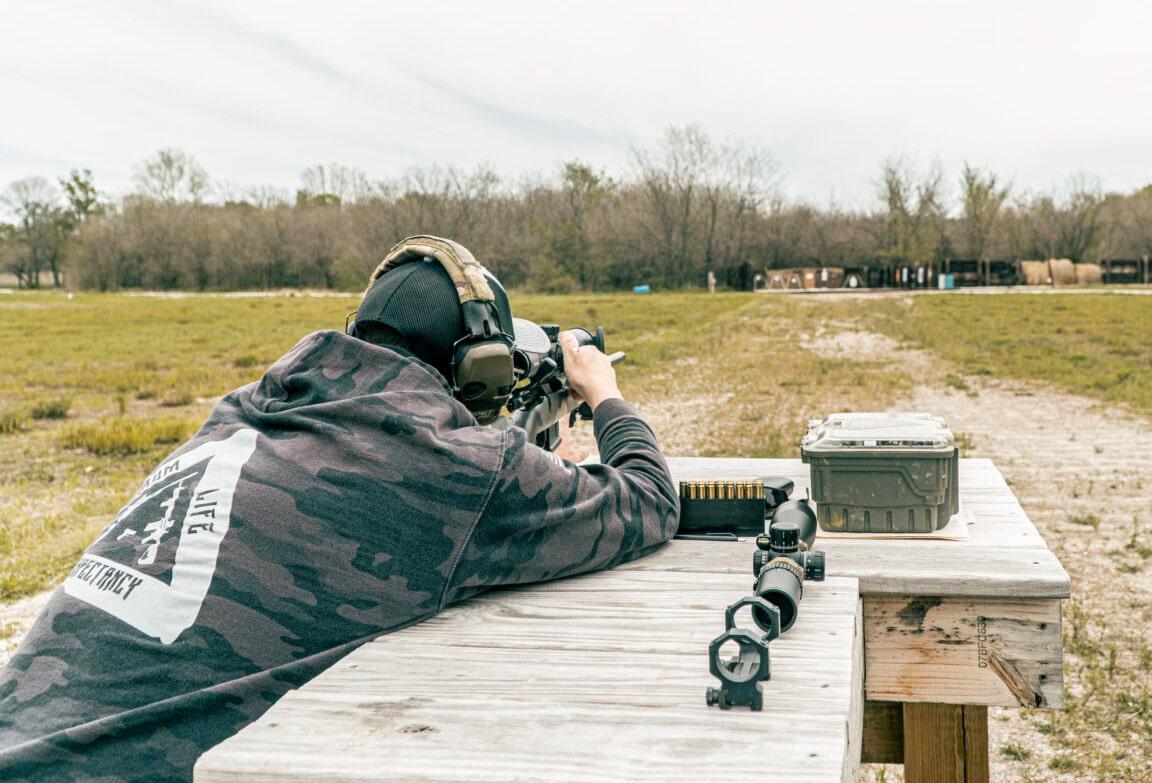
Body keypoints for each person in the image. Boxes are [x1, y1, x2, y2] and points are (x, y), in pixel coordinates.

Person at [0, 235, 680, 782]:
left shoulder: (243, 413)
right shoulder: (460, 470)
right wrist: (603, 392)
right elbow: (649, 496)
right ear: (483, 367)